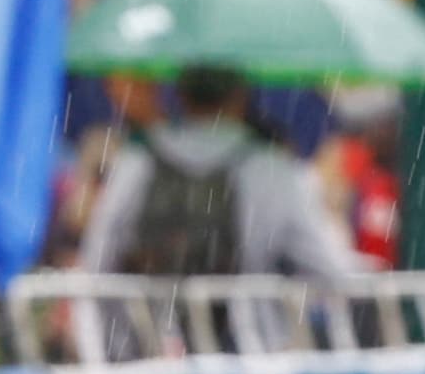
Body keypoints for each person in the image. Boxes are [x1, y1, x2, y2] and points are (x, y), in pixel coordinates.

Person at [83, 65, 365, 284]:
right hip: (250, 348)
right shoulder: (271, 168)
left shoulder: (138, 160)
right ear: (242, 94)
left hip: (150, 350)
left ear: (179, 94)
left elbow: (98, 259)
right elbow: (330, 269)